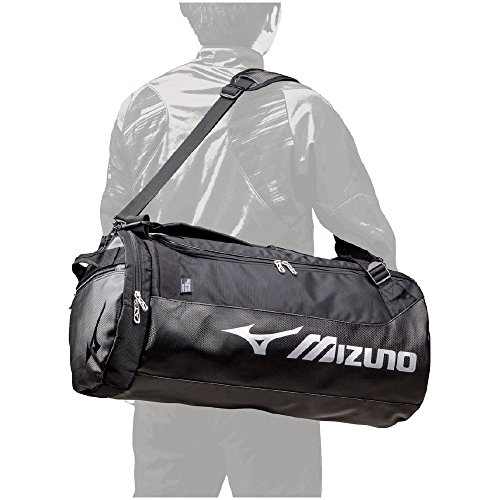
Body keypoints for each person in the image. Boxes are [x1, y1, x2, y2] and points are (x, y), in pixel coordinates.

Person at [100, 3, 396, 497]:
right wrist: (349, 351)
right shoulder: (299, 109)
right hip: (274, 361)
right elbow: (367, 245)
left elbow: (117, 240)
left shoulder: (143, 106)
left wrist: (126, 347)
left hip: (168, 357)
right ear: (272, 16)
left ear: (187, 12)